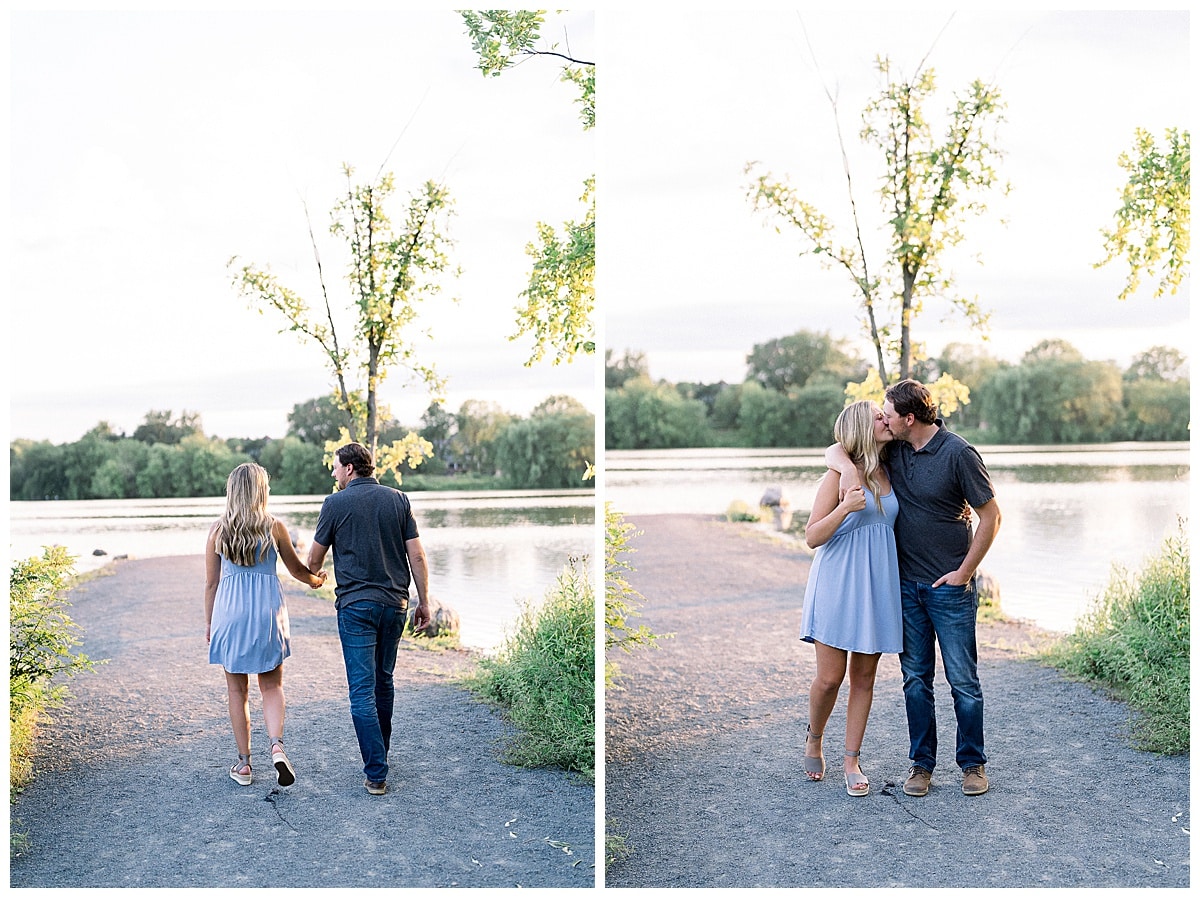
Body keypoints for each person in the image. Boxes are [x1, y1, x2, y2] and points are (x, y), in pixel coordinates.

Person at [826, 379, 1001, 798]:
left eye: (888, 413)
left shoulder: (959, 454)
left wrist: (963, 573)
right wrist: (848, 467)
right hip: (906, 588)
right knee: (915, 680)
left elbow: (992, 518)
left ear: (909, 418)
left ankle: (972, 764)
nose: (882, 419)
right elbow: (836, 447)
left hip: (950, 589)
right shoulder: (895, 449)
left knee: (963, 680)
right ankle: (921, 765)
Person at [306, 442, 433, 796]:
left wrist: (316, 576)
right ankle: (380, 754)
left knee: (362, 690)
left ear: (349, 468)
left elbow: (313, 561)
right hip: (395, 605)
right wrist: (424, 603)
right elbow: (417, 557)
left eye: (335, 467)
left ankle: (376, 771)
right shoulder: (398, 500)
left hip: (356, 607)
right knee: (384, 681)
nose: (333, 473)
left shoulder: (334, 504)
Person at [800, 400, 901, 797]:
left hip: (876, 586)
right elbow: (811, 537)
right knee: (829, 678)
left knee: (865, 678)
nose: (885, 419)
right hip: (838, 583)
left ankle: (851, 760)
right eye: (878, 416)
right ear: (862, 426)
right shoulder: (836, 477)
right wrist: (845, 506)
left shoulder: (891, 467)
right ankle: (813, 739)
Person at [205, 462, 326, 788]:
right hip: (266, 615)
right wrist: (316, 579)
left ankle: (244, 765)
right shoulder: (274, 528)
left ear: (232, 492)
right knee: (271, 686)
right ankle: (276, 746)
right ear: (261, 491)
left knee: (236, 690)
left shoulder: (218, 531)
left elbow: (211, 585)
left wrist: (210, 624)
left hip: (229, 615)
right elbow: (297, 570)